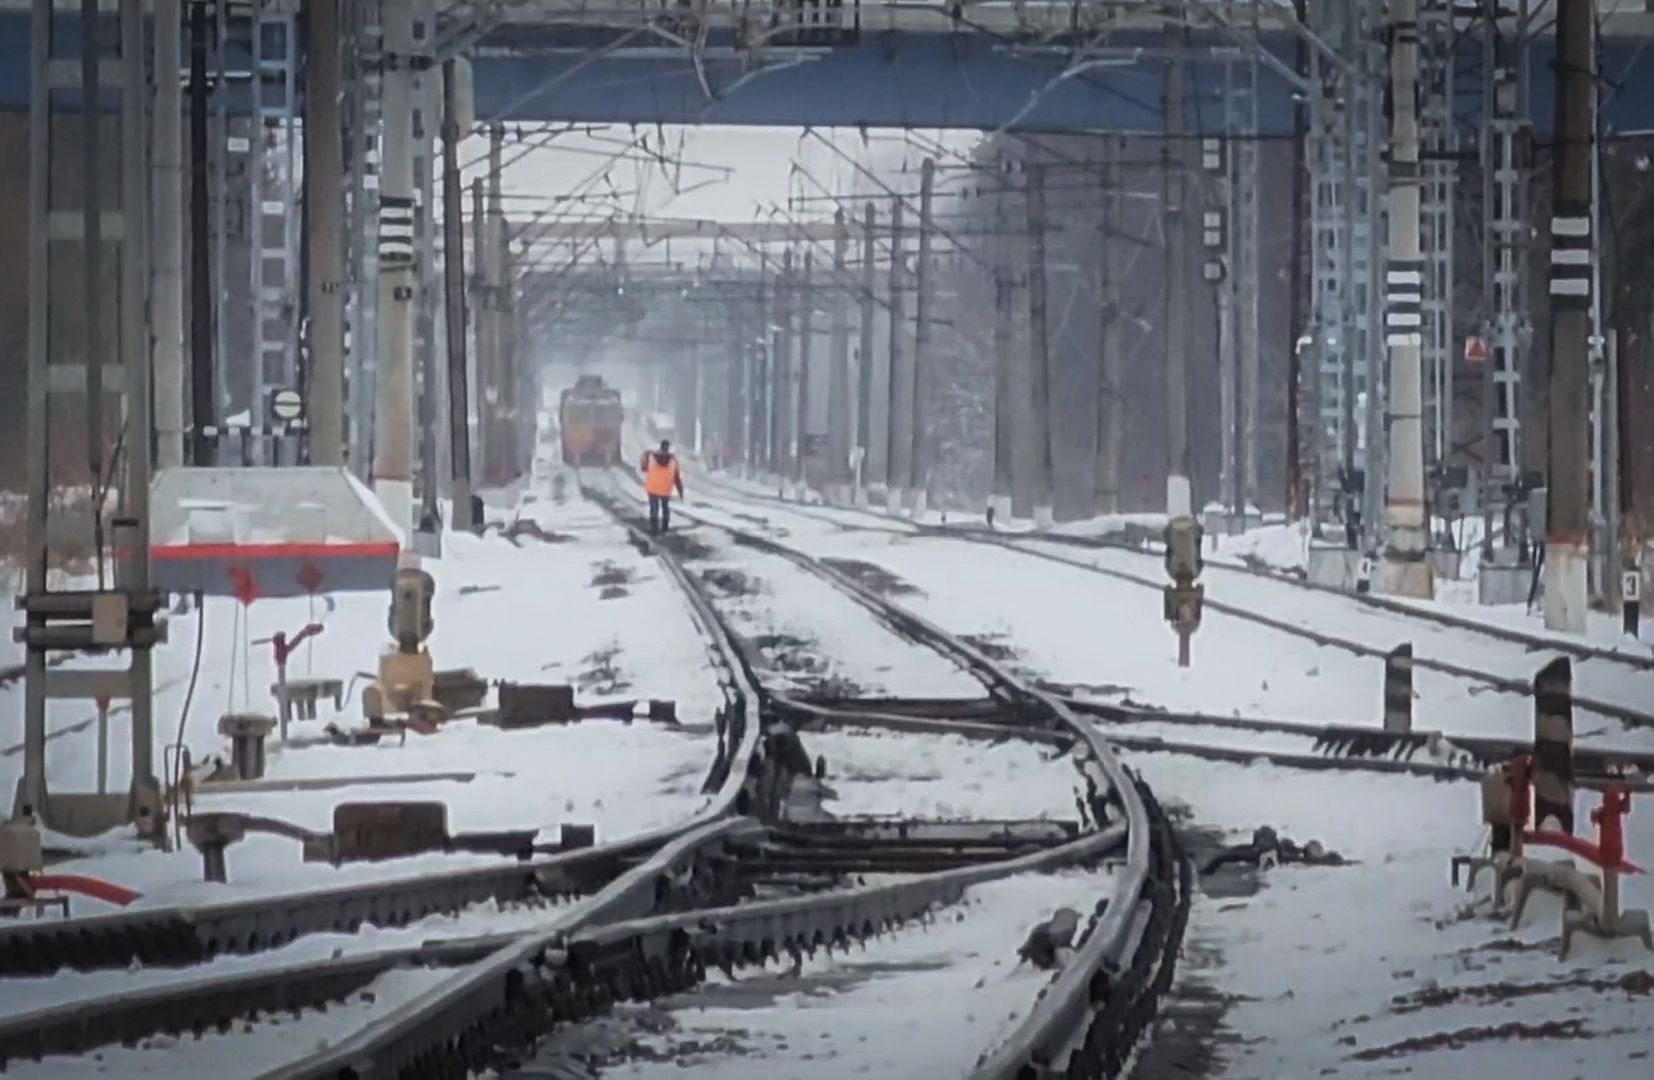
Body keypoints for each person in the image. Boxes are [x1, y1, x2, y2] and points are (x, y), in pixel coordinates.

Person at [641, 439, 684, 534]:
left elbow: (643, 468)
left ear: (660, 446)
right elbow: (677, 479)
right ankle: (665, 526)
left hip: (652, 488)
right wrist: (681, 492)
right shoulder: (673, 461)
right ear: (668, 448)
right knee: (665, 506)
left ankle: (654, 527)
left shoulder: (652, 457)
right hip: (665, 489)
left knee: (654, 507)